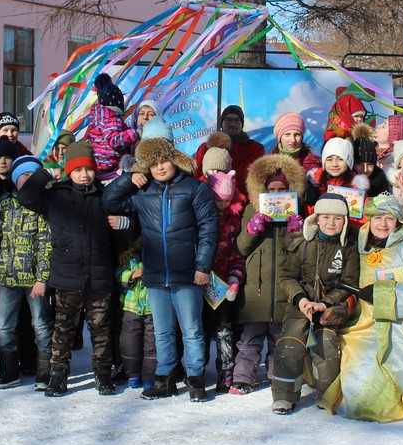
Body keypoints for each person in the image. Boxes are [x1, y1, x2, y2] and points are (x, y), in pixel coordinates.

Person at [103, 135, 220, 402]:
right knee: (163, 331)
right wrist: (128, 178)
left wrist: (202, 265)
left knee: (191, 330)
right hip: (155, 275)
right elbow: (109, 201)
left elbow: (209, 229)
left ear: (174, 159)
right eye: (152, 164)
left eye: (163, 160)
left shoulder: (194, 188)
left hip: (187, 273)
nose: (159, 167)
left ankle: (195, 379)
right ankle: (165, 379)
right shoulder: (143, 193)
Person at [324, 193, 403, 422]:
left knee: (376, 380)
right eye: (377, 218)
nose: (383, 224)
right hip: (362, 323)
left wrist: (384, 293)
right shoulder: (357, 248)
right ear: (369, 220)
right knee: (352, 367)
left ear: (399, 221)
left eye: (389, 218)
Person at [18, 144, 122, 397]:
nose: (84, 174)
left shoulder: (104, 197)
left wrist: (124, 225)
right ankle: (58, 377)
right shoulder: (58, 196)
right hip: (67, 278)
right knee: (62, 331)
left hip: (98, 277)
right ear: (69, 172)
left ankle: (103, 375)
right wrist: (44, 174)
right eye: (77, 170)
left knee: (100, 330)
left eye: (88, 169)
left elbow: (122, 231)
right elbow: (26, 197)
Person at [272, 194, 360, 414]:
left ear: (345, 221)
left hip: (328, 308)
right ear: (316, 219)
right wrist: (301, 299)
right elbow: (286, 277)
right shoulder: (301, 244)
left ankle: (326, 392)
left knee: (326, 345)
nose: (331, 223)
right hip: (300, 305)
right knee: (289, 344)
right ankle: (284, 395)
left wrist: (326, 303)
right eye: (326, 217)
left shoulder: (348, 248)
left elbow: (349, 283)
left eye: (338, 218)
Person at [235, 154, 306, 392]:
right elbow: (241, 247)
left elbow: (302, 252)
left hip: (283, 290)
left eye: (282, 189)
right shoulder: (250, 210)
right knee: (249, 339)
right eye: (272, 189)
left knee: (279, 339)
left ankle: (278, 376)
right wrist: (253, 228)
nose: (276, 193)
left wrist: (297, 231)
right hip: (256, 289)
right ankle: (242, 378)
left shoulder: (295, 213)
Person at [0, 155, 53, 389]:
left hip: (34, 279)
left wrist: (42, 278)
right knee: (4, 325)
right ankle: (8, 371)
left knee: (41, 325)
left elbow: (46, 242)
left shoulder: (42, 205)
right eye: (23, 175)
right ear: (15, 179)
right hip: (7, 277)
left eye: (32, 175)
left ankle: (45, 372)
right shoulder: (4, 205)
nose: (28, 179)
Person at [203, 170, 247, 393]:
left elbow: (238, 254)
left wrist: (234, 279)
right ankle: (197, 370)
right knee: (200, 329)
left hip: (224, 283)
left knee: (224, 330)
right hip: (200, 281)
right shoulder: (202, 217)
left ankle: (226, 372)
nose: (222, 205)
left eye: (227, 201)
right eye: (217, 200)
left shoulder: (235, 220)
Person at [193, 105, 264, 193]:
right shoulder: (205, 148)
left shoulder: (255, 148)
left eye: (237, 120)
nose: (232, 124)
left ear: (242, 124)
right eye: (228, 120)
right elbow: (194, 176)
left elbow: (249, 179)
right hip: (209, 197)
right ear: (221, 123)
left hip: (242, 199)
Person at [116, 239, 156, 392]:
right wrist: (132, 275)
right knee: (129, 342)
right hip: (131, 306)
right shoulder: (127, 258)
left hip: (152, 307)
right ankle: (132, 374)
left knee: (152, 344)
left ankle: (149, 376)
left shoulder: (158, 257)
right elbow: (118, 273)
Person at [86, 73, 138, 182]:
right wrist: (134, 133)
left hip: (98, 165)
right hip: (109, 167)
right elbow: (114, 141)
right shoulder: (112, 119)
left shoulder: (96, 120)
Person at [305, 136, 355, 212]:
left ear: (349, 161)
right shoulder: (314, 182)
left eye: (340, 159)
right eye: (329, 159)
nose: (334, 164)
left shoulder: (356, 185)